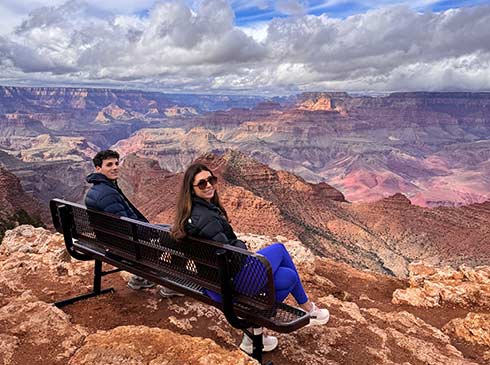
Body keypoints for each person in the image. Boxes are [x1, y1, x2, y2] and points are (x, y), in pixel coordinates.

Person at [171, 163, 330, 355]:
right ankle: (307, 308)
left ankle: (253, 336)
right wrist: (242, 246)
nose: (209, 186)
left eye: (211, 180)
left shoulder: (190, 214)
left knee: (288, 277)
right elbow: (231, 254)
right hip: (230, 282)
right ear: (192, 189)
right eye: (202, 183)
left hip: (212, 282)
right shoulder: (207, 218)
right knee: (279, 249)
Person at [85, 149, 183, 298]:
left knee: (169, 229)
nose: (115, 167)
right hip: (126, 246)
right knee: (177, 235)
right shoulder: (107, 193)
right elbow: (125, 227)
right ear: (98, 168)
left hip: (112, 242)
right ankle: (173, 283)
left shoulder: (97, 190)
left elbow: (121, 222)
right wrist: (151, 233)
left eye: (116, 163)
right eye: (109, 165)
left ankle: (140, 278)